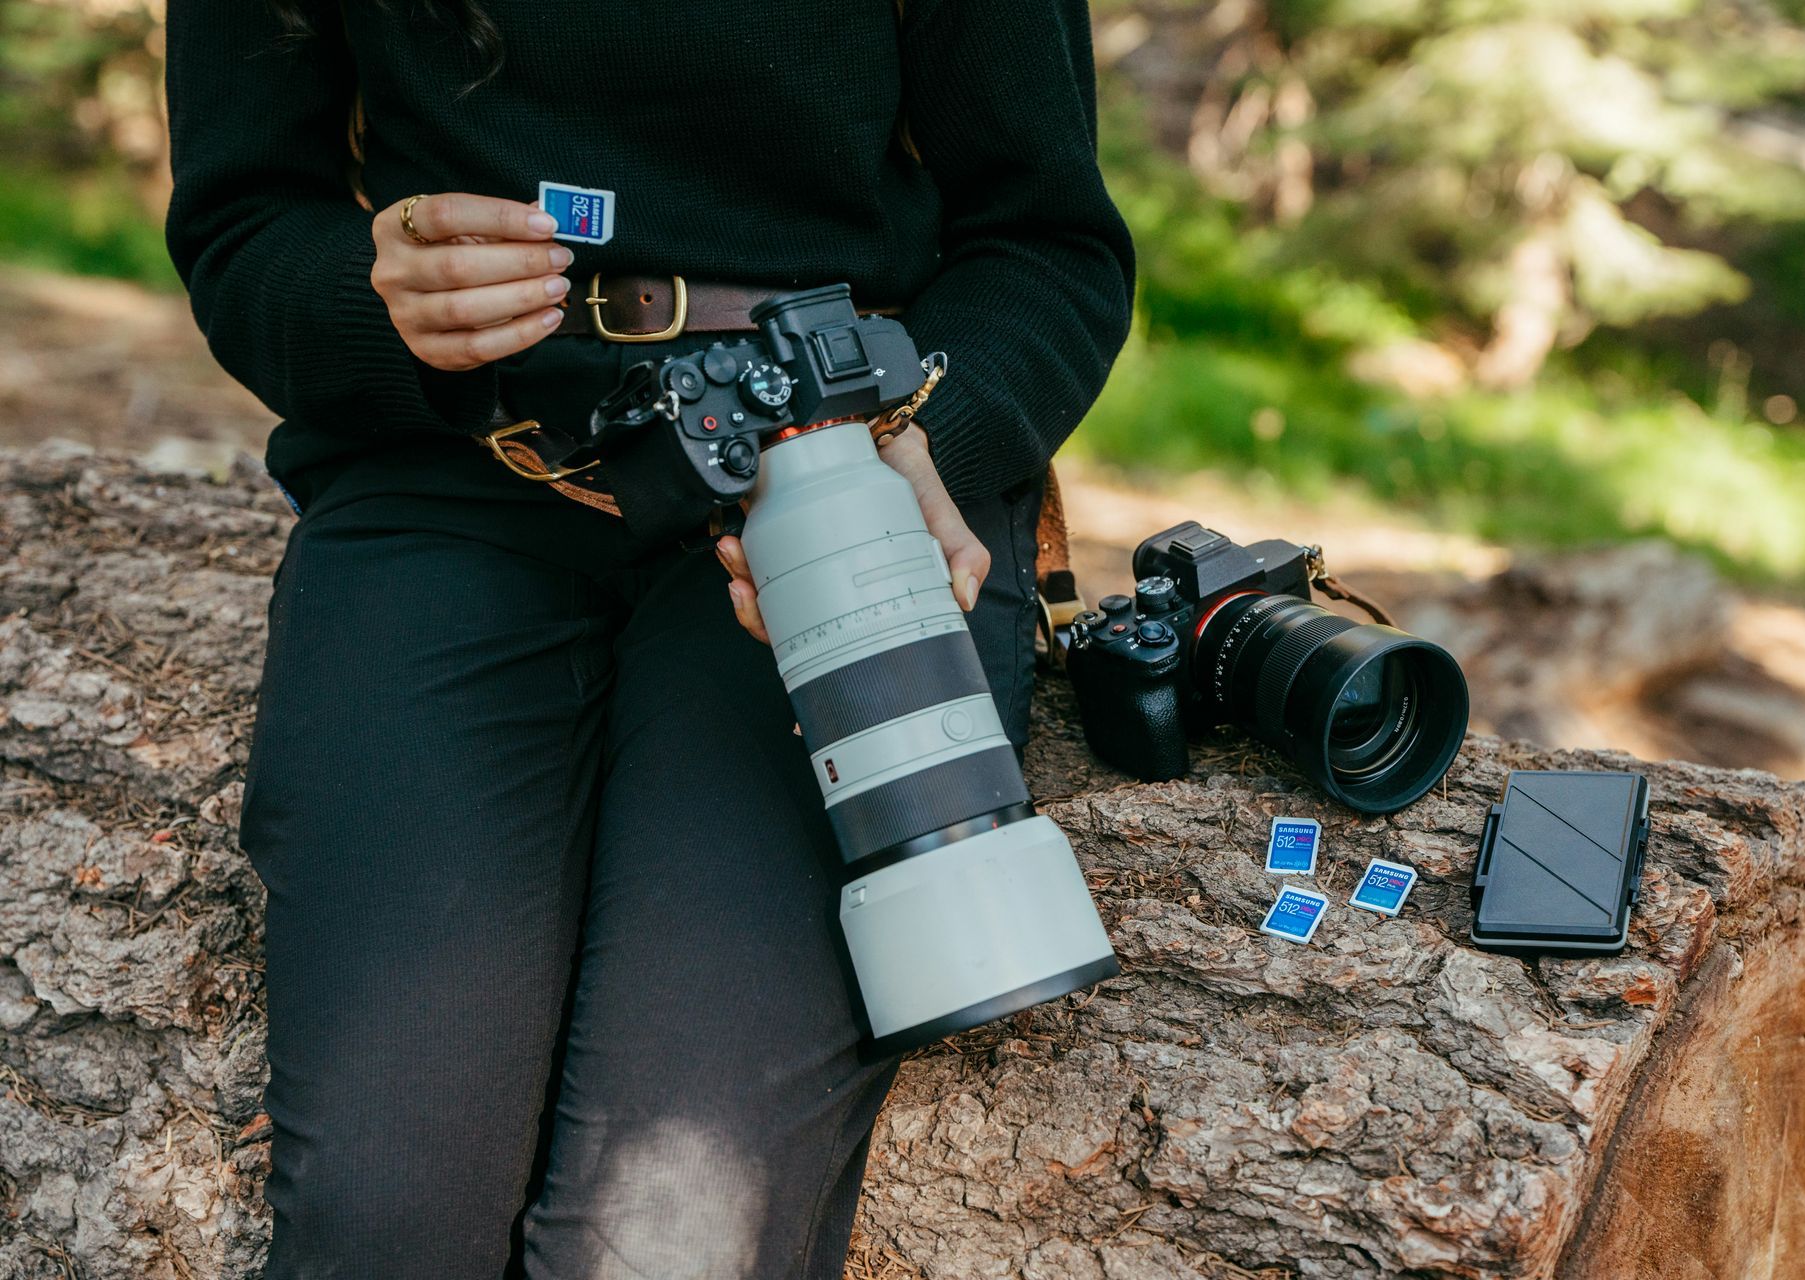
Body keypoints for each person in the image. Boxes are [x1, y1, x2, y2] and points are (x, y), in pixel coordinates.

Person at [162, 1, 1133, 1275]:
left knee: (670, 1243)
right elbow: (243, 226)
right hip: (449, 483)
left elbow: (1050, 245)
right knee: (382, 1219)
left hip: (830, 488)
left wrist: (919, 441)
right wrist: (373, 297)